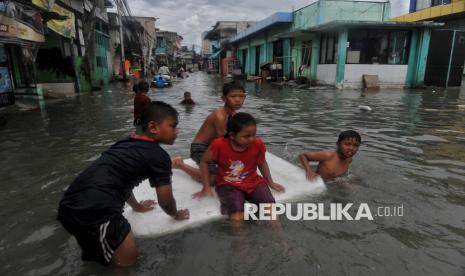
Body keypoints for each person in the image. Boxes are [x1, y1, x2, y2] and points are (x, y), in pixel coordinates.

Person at [57, 101, 190, 267]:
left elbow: (119, 180)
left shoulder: (125, 144)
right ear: (153, 127)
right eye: (173, 126)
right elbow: (165, 200)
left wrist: (136, 207)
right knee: (128, 261)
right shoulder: (159, 156)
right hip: (96, 212)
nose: (177, 131)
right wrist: (175, 214)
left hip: (70, 205)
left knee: (98, 254)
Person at [194, 112, 285, 220]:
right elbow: (204, 161)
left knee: (271, 209)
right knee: (237, 215)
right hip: (228, 184)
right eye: (246, 136)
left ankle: (279, 236)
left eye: (253, 135)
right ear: (232, 135)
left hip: (253, 182)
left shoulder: (258, 144)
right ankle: (241, 237)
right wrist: (206, 186)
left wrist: (271, 183)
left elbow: (262, 162)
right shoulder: (219, 145)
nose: (251, 139)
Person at [172, 81, 246, 191]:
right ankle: (179, 165)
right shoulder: (220, 116)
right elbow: (224, 143)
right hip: (200, 148)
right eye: (233, 96)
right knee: (212, 179)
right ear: (223, 98)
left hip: (213, 147)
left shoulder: (234, 115)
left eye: (241, 96)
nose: (238, 100)